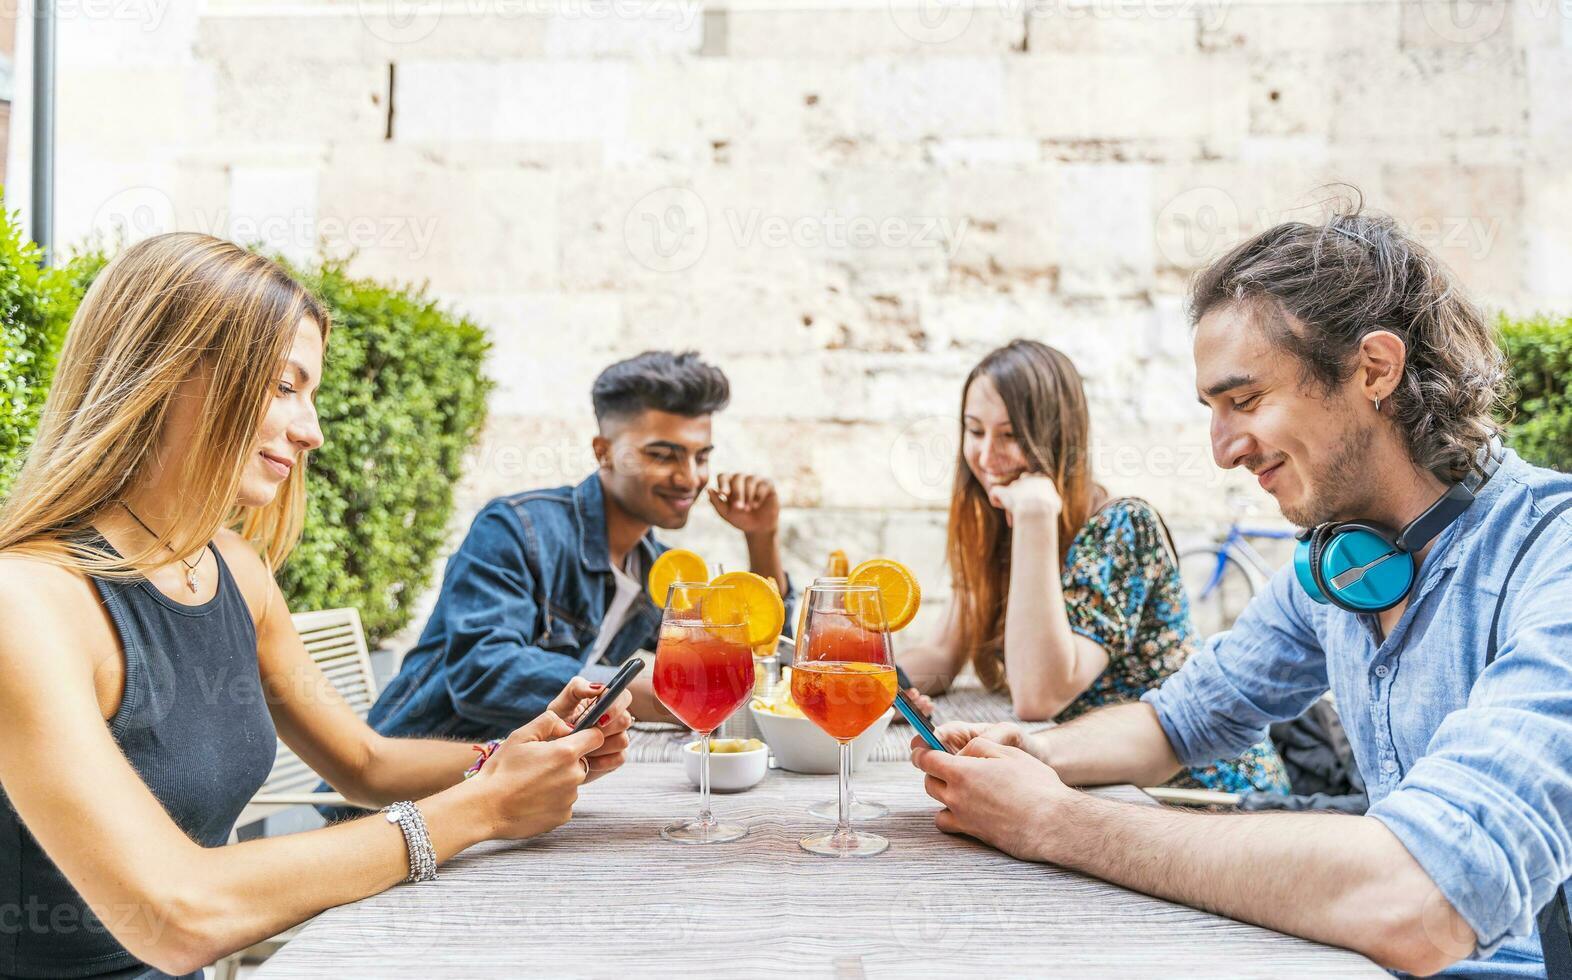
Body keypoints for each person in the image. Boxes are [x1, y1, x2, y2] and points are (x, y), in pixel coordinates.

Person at [909, 210, 1572, 977]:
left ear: (1375, 370)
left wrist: (1057, 822)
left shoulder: (1552, 555)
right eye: (1212, 412)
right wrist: (1031, 754)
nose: (1222, 450)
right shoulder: (1339, 568)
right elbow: (1181, 720)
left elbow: (1422, 900)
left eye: (1245, 401)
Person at [0, 233, 631, 979]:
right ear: (167, 374)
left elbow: (365, 761)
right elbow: (177, 912)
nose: (313, 430)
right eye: (283, 386)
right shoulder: (29, 603)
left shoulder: (232, 569)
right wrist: (481, 809)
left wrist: (510, 757)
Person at [897, 339, 1289, 795]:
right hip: (1094, 782)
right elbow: (943, 652)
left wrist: (1037, 517)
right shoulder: (996, 529)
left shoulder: (1122, 527)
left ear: (1057, 437)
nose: (986, 456)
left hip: (1203, 794)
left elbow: (1039, 694)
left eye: (1009, 435)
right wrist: (869, 686)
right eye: (975, 431)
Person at [366, 350, 790, 740]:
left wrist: (760, 535)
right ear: (603, 452)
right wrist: (664, 693)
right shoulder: (517, 528)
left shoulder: (653, 568)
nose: (689, 477)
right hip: (414, 786)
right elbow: (483, 673)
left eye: (701, 457)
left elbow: (766, 648)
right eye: (663, 455)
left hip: (521, 785)